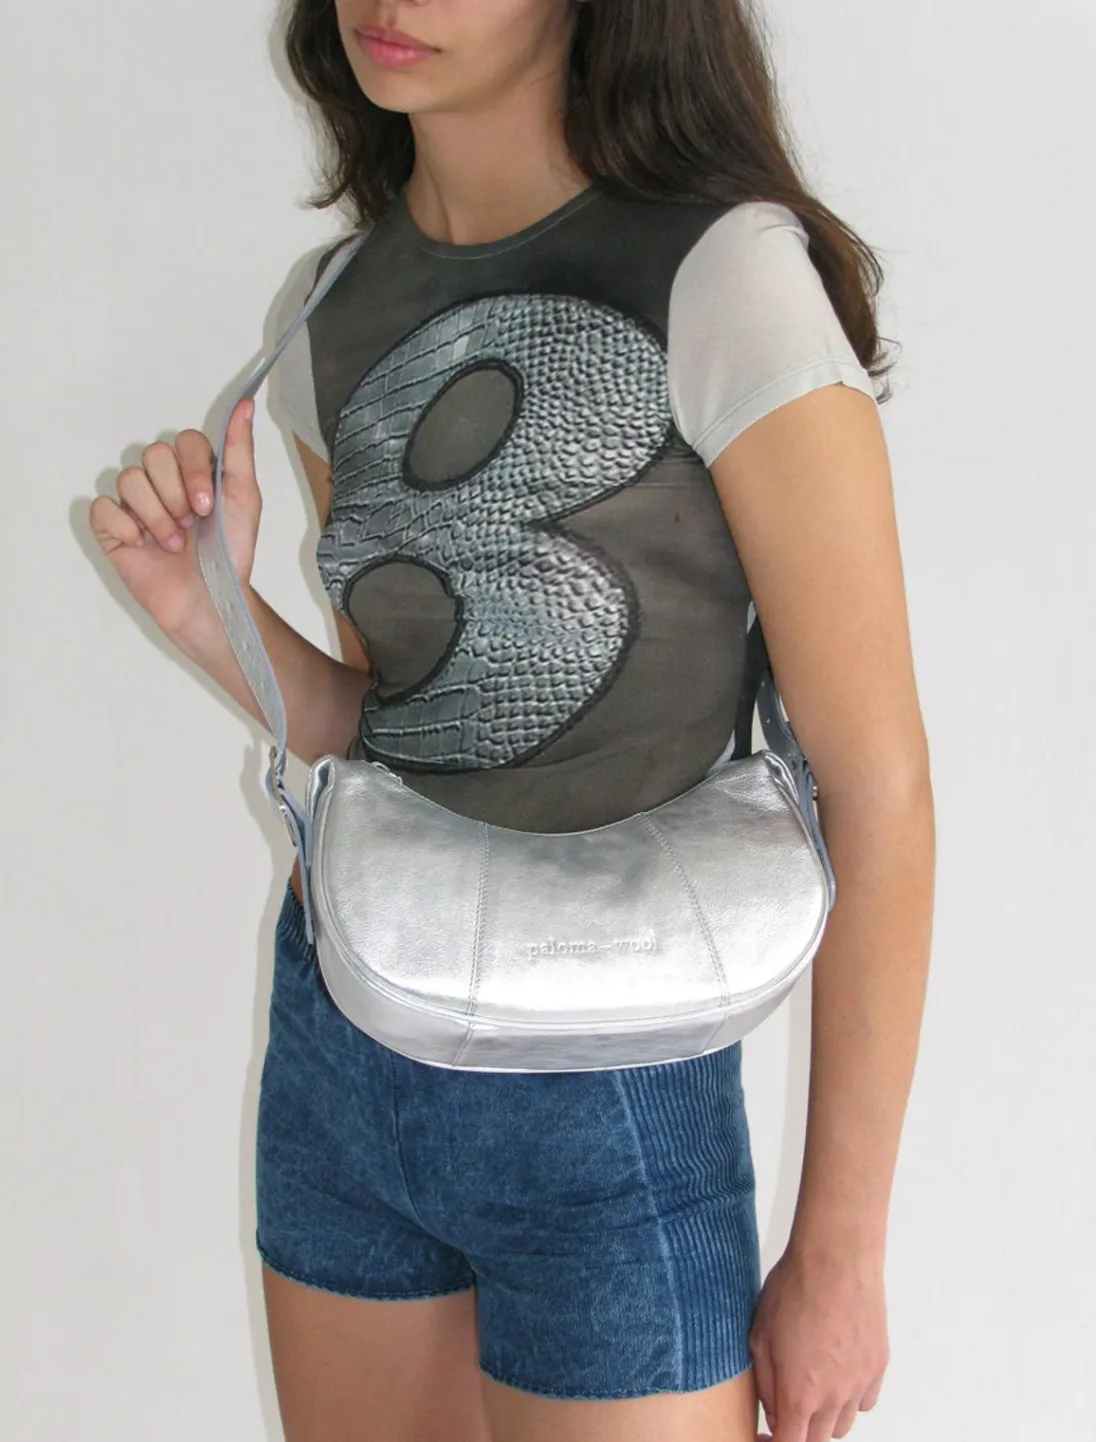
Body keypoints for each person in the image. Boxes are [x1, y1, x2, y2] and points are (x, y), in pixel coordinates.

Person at [88, 2, 935, 1439]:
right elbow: (406, 735)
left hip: (613, 1100)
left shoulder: (726, 275)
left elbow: (879, 786)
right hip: (347, 1048)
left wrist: (840, 1253)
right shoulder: (330, 307)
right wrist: (203, 608)